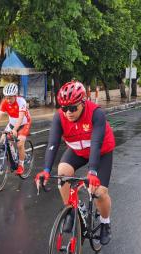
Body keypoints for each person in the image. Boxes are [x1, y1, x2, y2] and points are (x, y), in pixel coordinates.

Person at [35, 81, 116, 245]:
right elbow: (53, 143)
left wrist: (92, 172)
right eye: (64, 108)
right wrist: (45, 170)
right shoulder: (60, 117)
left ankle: (105, 223)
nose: (68, 113)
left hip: (100, 152)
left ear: (83, 102)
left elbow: (96, 144)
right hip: (77, 150)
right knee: (62, 174)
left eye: (73, 108)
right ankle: (72, 210)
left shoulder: (96, 114)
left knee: (99, 192)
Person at [0, 83, 31, 175]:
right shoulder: (4, 102)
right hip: (11, 124)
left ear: (15, 96)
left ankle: (21, 164)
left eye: (10, 97)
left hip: (23, 124)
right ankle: (14, 158)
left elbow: (21, 117)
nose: (8, 100)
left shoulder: (21, 101)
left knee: (19, 144)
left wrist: (15, 130)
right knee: (3, 140)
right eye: (6, 97)